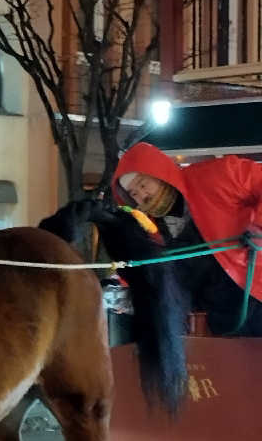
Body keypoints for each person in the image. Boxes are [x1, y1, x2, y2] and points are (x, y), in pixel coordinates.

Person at [112, 141, 262, 336]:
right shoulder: (153, 232)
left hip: (256, 291)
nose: (142, 195)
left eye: (142, 184)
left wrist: (259, 228)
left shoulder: (216, 176)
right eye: (134, 194)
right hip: (220, 322)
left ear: (160, 173)